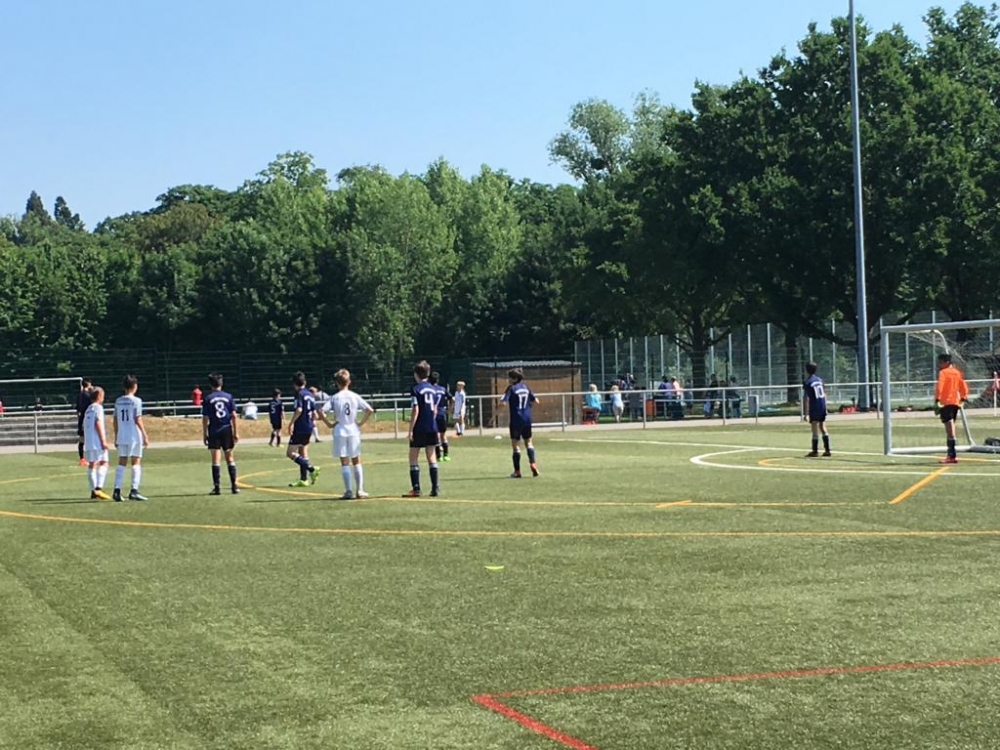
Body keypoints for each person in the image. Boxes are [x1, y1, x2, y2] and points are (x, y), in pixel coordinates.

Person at [320, 368, 375, 499]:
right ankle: (360, 490)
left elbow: (321, 411)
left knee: (344, 461)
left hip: (340, 429)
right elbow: (369, 410)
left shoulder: (335, 398)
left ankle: (348, 491)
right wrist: (360, 423)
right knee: (356, 459)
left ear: (336, 383)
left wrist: (329, 424)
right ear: (349, 382)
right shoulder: (354, 396)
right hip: (353, 429)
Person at [405, 360, 440, 497]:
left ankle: (416, 489)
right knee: (431, 456)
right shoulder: (433, 389)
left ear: (416, 374)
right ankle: (435, 488)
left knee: (413, 456)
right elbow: (435, 410)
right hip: (432, 426)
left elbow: (416, 409)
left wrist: (410, 430)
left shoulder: (416, 389)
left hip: (419, 427)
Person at [112, 374, 150, 501]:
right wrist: (144, 434)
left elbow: (115, 420)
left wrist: (116, 435)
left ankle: (117, 490)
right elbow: (137, 419)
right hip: (134, 435)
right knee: (136, 461)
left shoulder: (118, 401)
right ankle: (134, 490)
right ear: (134, 386)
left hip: (122, 435)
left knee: (122, 461)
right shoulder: (136, 401)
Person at [202, 373, 240, 495]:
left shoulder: (208, 398)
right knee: (230, 457)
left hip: (214, 429)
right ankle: (234, 486)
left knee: (215, 459)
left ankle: (217, 487)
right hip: (226, 428)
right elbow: (234, 415)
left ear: (210, 385)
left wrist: (204, 433)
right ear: (221, 383)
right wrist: (236, 432)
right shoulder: (228, 397)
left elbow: (205, 417)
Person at [501, 367, 539, 478]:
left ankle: (517, 472)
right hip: (527, 419)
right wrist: (528, 407)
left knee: (516, 445)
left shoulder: (511, 388)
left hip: (516, 420)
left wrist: (494, 415)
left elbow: (503, 403)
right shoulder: (526, 387)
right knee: (529, 442)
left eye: (509, 378)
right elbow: (536, 401)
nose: (508, 380)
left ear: (514, 379)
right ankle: (533, 463)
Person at [287, 372, 320, 487]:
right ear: (304, 382)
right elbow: (315, 414)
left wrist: (291, 423)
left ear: (294, 384)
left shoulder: (299, 394)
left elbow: (299, 409)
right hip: (309, 427)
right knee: (303, 452)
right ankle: (304, 479)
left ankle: (312, 469)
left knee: (290, 453)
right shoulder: (310, 394)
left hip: (300, 427)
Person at [935, 352, 969, 464]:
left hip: (945, 403)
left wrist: (937, 400)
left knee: (950, 429)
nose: (939, 365)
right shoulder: (956, 372)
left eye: (940, 362)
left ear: (947, 362)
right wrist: (963, 397)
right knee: (951, 427)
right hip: (955, 403)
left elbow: (940, 386)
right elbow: (963, 386)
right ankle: (951, 455)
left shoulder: (943, 372)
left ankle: (952, 455)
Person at [82, 386, 111, 500]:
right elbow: (97, 423)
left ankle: (93, 490)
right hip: (97, 441)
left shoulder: (88, 409)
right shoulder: (98, 407)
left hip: (89, 442)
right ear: (99, 396)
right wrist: (103, 440)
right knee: (104, 463)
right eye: (103, 396)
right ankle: (98, 488)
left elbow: (85, 425)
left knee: (92, 464)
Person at [803, 362, 831, 458]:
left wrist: (806, 413)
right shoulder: (820, 380)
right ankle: (827, 450)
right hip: (822, 405)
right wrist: (825, 407)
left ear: (806, 370)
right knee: (822, 426)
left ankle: (815, 451)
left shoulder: (808, 382)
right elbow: (824, 394)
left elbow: (806, 398)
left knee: (814, 427)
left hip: (814, 406)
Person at [429, 372, 452, 461]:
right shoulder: (442, 389)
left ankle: (438, 456)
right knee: (443, 434)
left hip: (433, 414)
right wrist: (449, 410)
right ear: (438, 380)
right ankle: (446, 455)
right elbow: (452, 399)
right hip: (442, 414)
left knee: (436, 435)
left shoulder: (430, 390)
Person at [75, 378, 93, 466]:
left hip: (81, 419)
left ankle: (82, 459)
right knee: (89, 439)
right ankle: (91, 458)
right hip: (87, 419)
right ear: (88, 384)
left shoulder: (80, 394)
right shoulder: (88, 395)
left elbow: (77, 408)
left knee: (81, 439)